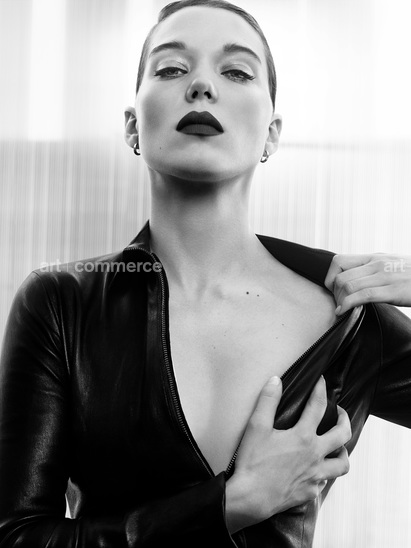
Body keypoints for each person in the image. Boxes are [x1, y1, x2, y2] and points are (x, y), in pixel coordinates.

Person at [0, 0, 410, 546]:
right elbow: (18, 537)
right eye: (172, 68)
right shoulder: (59, 302)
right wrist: (232, 504)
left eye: (236, 72)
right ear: (132, 126)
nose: (201, 86)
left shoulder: (348, 317)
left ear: (271, 134)